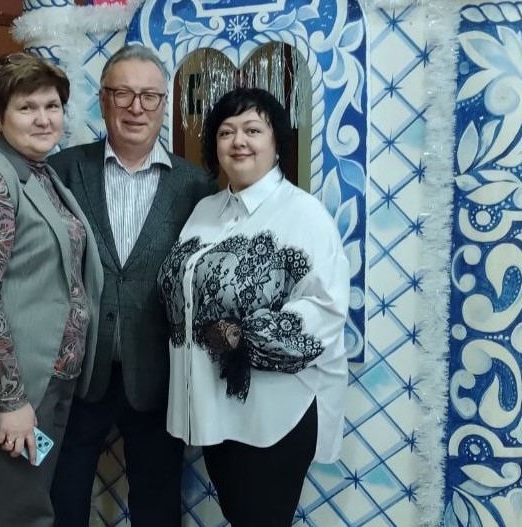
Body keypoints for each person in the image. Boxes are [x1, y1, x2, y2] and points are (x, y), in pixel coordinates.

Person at [157, 87, 350, 527]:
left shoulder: (304, 214)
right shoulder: (205, 210)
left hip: (271, 414)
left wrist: (241, 337)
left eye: (252, 130)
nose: (238, 141)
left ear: (276, 141)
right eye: (226, 132)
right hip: (211, 407)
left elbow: (324, 310)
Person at [0, 52, 103, 527]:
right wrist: (11, 401)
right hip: (12, 387)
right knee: (20, 516)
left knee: (32, 506)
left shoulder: (38, 171)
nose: (43, 119)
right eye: (27, 107)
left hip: (47, 377)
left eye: (52, 106)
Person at [48, 45, 214, 527]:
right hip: (78, 369)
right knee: (63, 494)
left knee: (157, 502)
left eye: (149, 96)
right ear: (103, 100)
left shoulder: (196, 186)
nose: (136, 107)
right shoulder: (62, 171)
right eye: (123, 93)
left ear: (164, 105)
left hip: (159, 373)